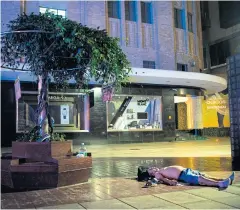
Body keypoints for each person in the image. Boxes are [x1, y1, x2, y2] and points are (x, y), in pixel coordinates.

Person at [146, 165, 234, 189]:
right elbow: (163, 179)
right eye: (151, 169)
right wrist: (170, 182)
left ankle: (224, 180)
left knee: (203, 175)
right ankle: (220, 184)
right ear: (151, 174)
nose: (152, 167)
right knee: (200, 179)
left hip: (186, 170)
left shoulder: (161, 169)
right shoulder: (157, 174)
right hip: (183, 175)